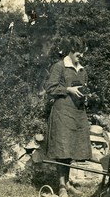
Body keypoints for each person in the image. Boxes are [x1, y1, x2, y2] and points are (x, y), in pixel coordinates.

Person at [45, 36, 92, 197]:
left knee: (71, 149)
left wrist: (86, 95)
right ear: (71, 52)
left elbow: (82, 87)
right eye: (79, 54)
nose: (81, 56)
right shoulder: (59, 67)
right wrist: (68, 90)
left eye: (83, 54)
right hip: (62, 112)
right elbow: (50, 88)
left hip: (78, 113)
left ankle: (68, 183)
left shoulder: (82, 69)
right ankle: (61, 186)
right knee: (63, 149)